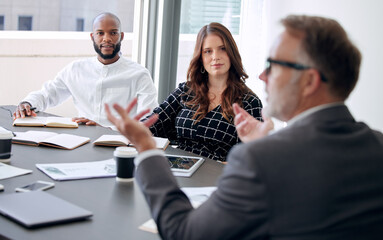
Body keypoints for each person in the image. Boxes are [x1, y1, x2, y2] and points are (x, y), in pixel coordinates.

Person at [106, 15, 383, 240]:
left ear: (309, 81)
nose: (262, 75)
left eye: (274, 65)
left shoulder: (260, 159)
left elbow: (183, 232)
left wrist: (145, 148)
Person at [13, 12, 157, 127]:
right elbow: (47, 94)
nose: (107, 39)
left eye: (113, 33)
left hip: (120, 144)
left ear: (121, 36)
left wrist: (107, 129)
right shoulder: (76, 69)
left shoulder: (139, 74)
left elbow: (148, 120)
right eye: (100, 33)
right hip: (82, 142)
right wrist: (27, 104)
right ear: (92, 37)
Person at [144, 22, 262, 161]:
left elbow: (252, 156)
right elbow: (153, 123)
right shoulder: (186, 90)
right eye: (208, 51)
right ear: (201, 58)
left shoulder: (249, 102)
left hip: (217, 176)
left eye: (222, 49)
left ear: (232, 52)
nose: (215, 57)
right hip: (179, 169)